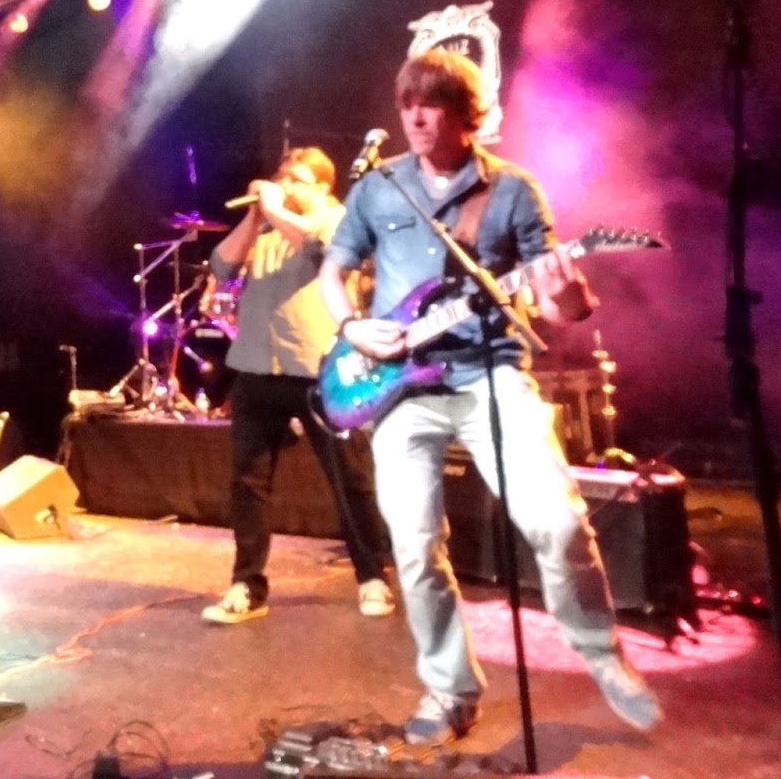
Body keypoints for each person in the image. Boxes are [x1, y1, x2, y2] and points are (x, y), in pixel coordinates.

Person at [318, 49, 662, 745]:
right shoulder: (380, 186)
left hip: (490, 373)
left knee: (558, 523)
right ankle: (450, 690)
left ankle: (603, 655)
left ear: (466, 115)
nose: (415, 116)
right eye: (407, 102)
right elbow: (335, 268)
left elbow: (560, 309)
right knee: (414, 546)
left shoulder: (512, 191)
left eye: (432, 103)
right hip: (401, 386)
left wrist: (566, 290)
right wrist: (351, 326)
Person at [201, 147, 396, 625]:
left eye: (297, 179)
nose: (284, 184)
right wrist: (254, 217)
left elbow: (318, 246)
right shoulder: (266, 226)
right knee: (248, 483)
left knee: (348, 478)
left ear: (323, 187)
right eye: (281, 176)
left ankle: (373, 576)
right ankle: (247, 585)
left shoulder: (337, 218)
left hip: (318, 369)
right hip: (256, 367)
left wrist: (273, 209)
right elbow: (221, 266)